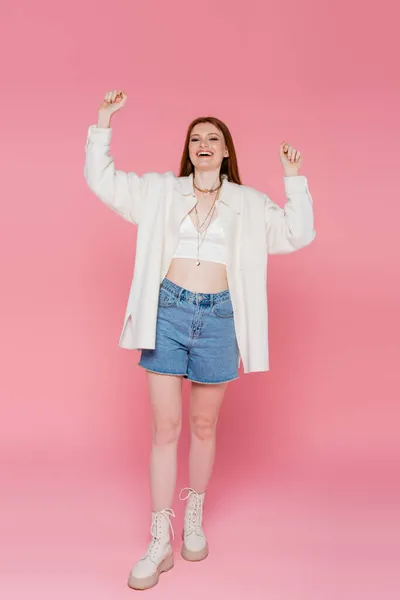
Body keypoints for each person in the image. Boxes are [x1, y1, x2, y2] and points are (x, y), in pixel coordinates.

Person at [84, 89, 316, 591]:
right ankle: (159, 538)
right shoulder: (161, 192)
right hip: (166, 311)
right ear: (188, 150)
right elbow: (102, 182)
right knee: (165, 428)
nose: (204, 144)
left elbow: (297, 234)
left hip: (219, 318)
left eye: (213, 138)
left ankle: (194, 518)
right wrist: (103, 122)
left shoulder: (249, 203)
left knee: (204, 425)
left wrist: (293, 181)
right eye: (196, 138)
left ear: (227, 150)